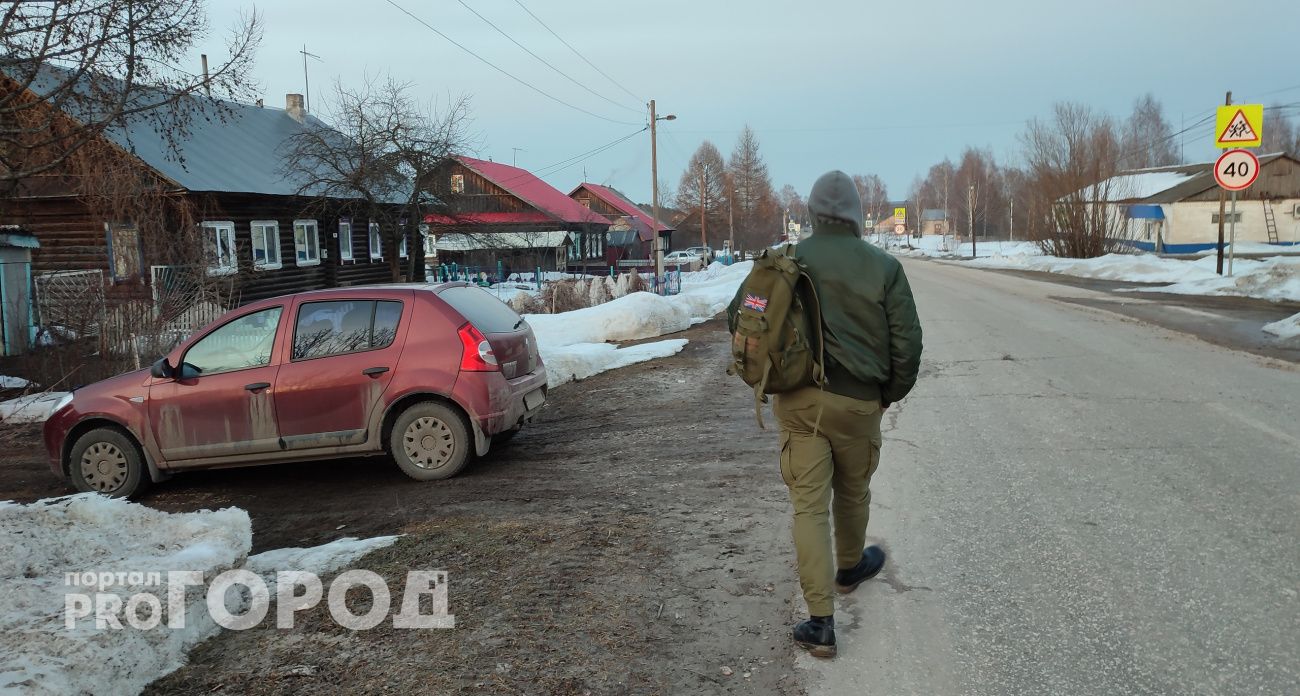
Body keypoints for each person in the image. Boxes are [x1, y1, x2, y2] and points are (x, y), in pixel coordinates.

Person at [729, 170, 922, 658]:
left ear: (813, 215)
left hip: (798, 403)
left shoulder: (786, 261)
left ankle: (820, 625)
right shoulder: (884, 267)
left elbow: (740, 318)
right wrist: (887, 395)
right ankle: (851, 567)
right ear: (856, 216)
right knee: (853, 489)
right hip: (860, 403)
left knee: (809, 507)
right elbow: (908, 345)